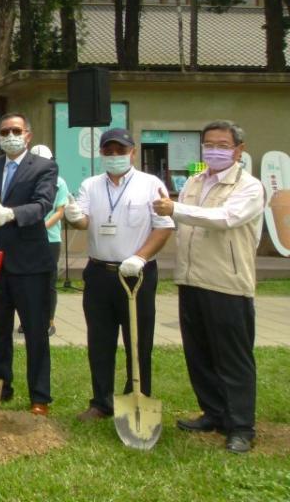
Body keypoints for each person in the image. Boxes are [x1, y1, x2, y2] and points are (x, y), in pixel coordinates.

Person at [152, 121, 264, 454]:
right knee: (198, 352)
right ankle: (213, 413)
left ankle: (241, 425)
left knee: (232, 357)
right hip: (191, 278)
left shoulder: (249, 186)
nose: (215, 150)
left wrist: (176, 208)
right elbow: (178, 219)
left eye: (223, 144)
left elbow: (225, 218)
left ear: (238, 149)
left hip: (227, 282)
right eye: (209, 144)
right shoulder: (195, 182)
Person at [64, 128, 173, 422]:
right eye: (109, 152)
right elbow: (84, 222)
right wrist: (75, 217)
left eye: (120, 151)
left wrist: (140, 257)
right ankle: (101, 402)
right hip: (100, 273)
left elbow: (163, 227)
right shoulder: (91, 185)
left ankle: (136, 399)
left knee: (138, 342)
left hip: (136, 274)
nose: (115, 156)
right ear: (101, 154)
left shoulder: (151, 185)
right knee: (100, 341)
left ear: (133, 152)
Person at [0, 112, 57, 415]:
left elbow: (43, 205)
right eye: (5, 131)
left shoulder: (44, 168)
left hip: (30, 264)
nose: (10, 136)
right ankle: (1, 386)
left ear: (28, 135)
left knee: (35, 331)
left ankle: (39, 396)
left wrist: (12, 214)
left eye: (16, 131)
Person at [30, 144, 69, 336]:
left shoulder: (59, 182)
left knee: (48, 281)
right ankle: (27, 320)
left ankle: (49, 320)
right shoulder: (26, 180)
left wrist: (41, 226)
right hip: (27, 238)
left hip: (50, 238)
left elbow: (60, 211)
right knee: (28, 281)